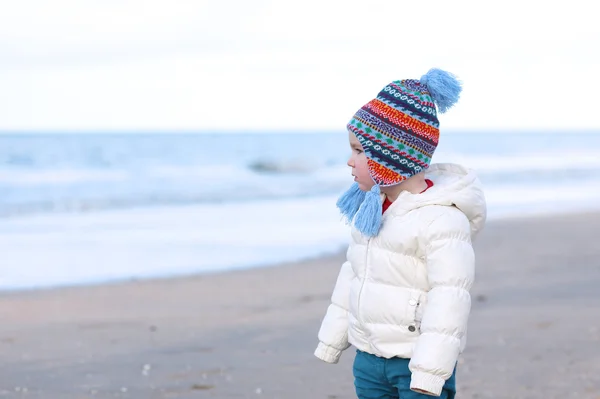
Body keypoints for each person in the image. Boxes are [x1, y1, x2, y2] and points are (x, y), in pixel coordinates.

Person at [314, 68, 487, 398]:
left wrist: (429, 370)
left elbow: (449, 297)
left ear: (390, 157)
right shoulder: (372, 209)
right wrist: (333, 338)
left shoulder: (441, 220)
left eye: (359, 151)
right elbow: (353, 274)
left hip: (414, 362)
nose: (350, 161)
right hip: (369, 356)